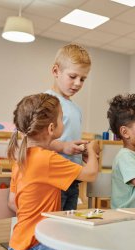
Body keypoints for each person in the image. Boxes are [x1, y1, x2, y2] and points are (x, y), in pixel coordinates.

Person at [7, 93, 100, 250]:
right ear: (51, 128)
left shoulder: (20, 159)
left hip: (17, 243)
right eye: (61, 119)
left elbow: (12, 202)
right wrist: (92, 150)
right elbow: (91, 174)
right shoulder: (48, 159)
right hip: (40, 243)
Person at [46, 43, 91, 211]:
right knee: (52, 226)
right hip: (53, 178)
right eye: (73, 76)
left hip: (73, 177)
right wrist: (64, 146)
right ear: (56, 71)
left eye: (83, 79)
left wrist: (80, 151)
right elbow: (35, 141)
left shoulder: (76, 108)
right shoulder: (46, 102)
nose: (78, 83)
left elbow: (68, 140)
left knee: (68, 224)